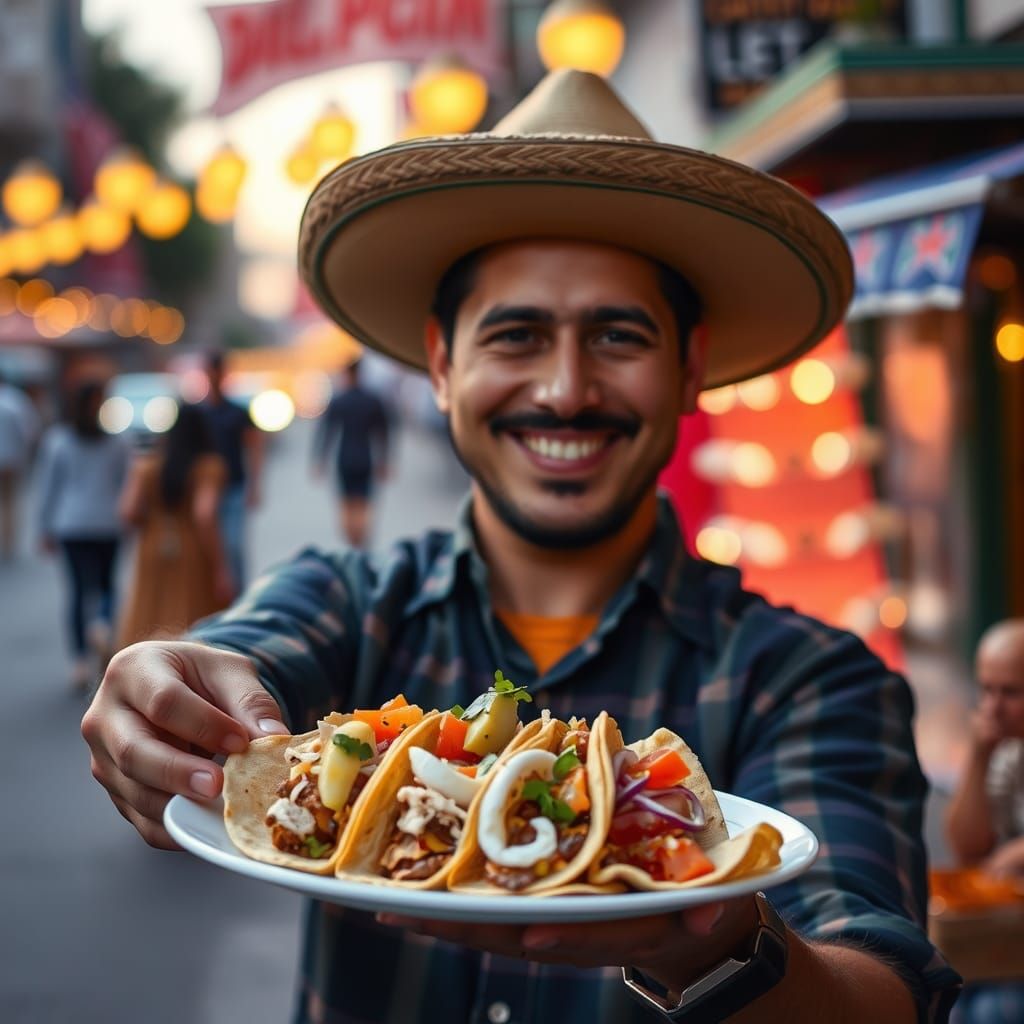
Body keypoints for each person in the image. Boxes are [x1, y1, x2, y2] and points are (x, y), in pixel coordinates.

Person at [82, 70, 961, 1022]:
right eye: (517, 335)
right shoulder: (346, 600)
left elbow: (883, 991)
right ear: (443, 365)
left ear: (690, 369)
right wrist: (176, 698)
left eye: (618, 336)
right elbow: (250, 656)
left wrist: (714, 942)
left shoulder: (816, 678)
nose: (564, 389)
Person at [945, 619, 1024, 1023]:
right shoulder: (1009, 749)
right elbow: (967, 846)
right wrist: (978, 755)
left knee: (994, 1012)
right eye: (986, 690)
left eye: (1010, 692)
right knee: (950, 995)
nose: (992, 707)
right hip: (1007, 930)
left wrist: (1017, 852)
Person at [116, 402, 234, 648]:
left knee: (150, 609)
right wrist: (221, 566)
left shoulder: (147, 465)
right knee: (191, 616)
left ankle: (141, 668)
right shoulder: (208, 467)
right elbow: (204, 514)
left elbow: (128, 511)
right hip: (192, 549)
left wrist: (155, 523)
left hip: (153, 544)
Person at [37, 380, 129, 690]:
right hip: (107, 522)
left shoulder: (58, 440)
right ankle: (102, 625)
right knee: (105, 585)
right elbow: (124, 485)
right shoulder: (117, 443)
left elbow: (49, 487)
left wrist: (43, 526)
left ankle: (78, 660)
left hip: (71, 523)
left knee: (77, 591)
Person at [198, 351, 264, 591]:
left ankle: (239, 594)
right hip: (207, 490)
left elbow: (255, 447)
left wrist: (255, 485)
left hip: (234, 486)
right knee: (210, 548)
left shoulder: (237, 412)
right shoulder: (199, 413)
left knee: (234, 546)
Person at [312, 358, 391, 548]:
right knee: (363, 503)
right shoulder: (372, 400)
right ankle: (361, 538)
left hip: (345, 457)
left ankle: (352, 540)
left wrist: (319, 460)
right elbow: (384, 433)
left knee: (346, 504)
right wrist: (384, 461)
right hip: (365, 457)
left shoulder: (340, 400)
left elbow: (326, 432)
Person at [0, 370, 41, 560]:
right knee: (9, 502)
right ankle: (8, 541)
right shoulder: (16, 401)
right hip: (11, 459)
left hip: (10, 459)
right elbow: (30, 431)